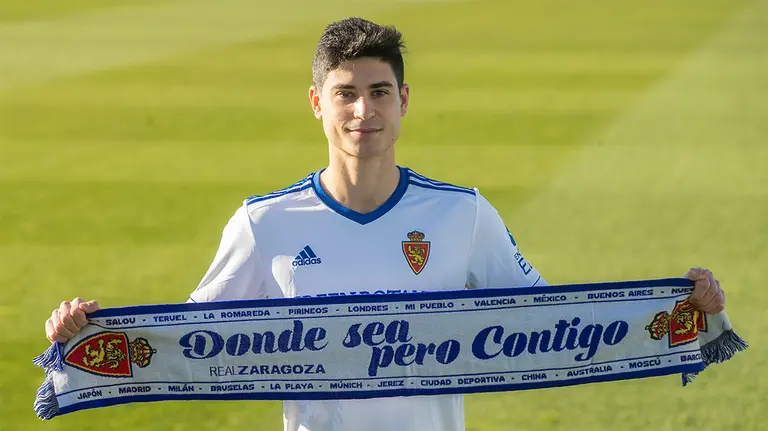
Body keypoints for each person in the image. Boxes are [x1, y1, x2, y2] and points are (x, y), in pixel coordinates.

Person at [44, 17, 726, 431]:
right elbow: (188, 339)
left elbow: (548, 327)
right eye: (345, 94)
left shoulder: (461, 214)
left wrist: (682, 314)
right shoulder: (264, 223)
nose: (362, 112)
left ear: (404, 101)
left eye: (377, 93)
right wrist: (83, 337)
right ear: (316, 103)